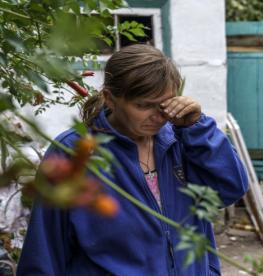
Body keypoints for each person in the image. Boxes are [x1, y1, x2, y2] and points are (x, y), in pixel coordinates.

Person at [17, 44, 248, 275]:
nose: (158, 116)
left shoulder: (182, 139)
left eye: (164, 104)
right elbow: (45, 248)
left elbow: (230, 189)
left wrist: (198, 128)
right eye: (144, 105)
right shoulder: (74, 152)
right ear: (110, 98)